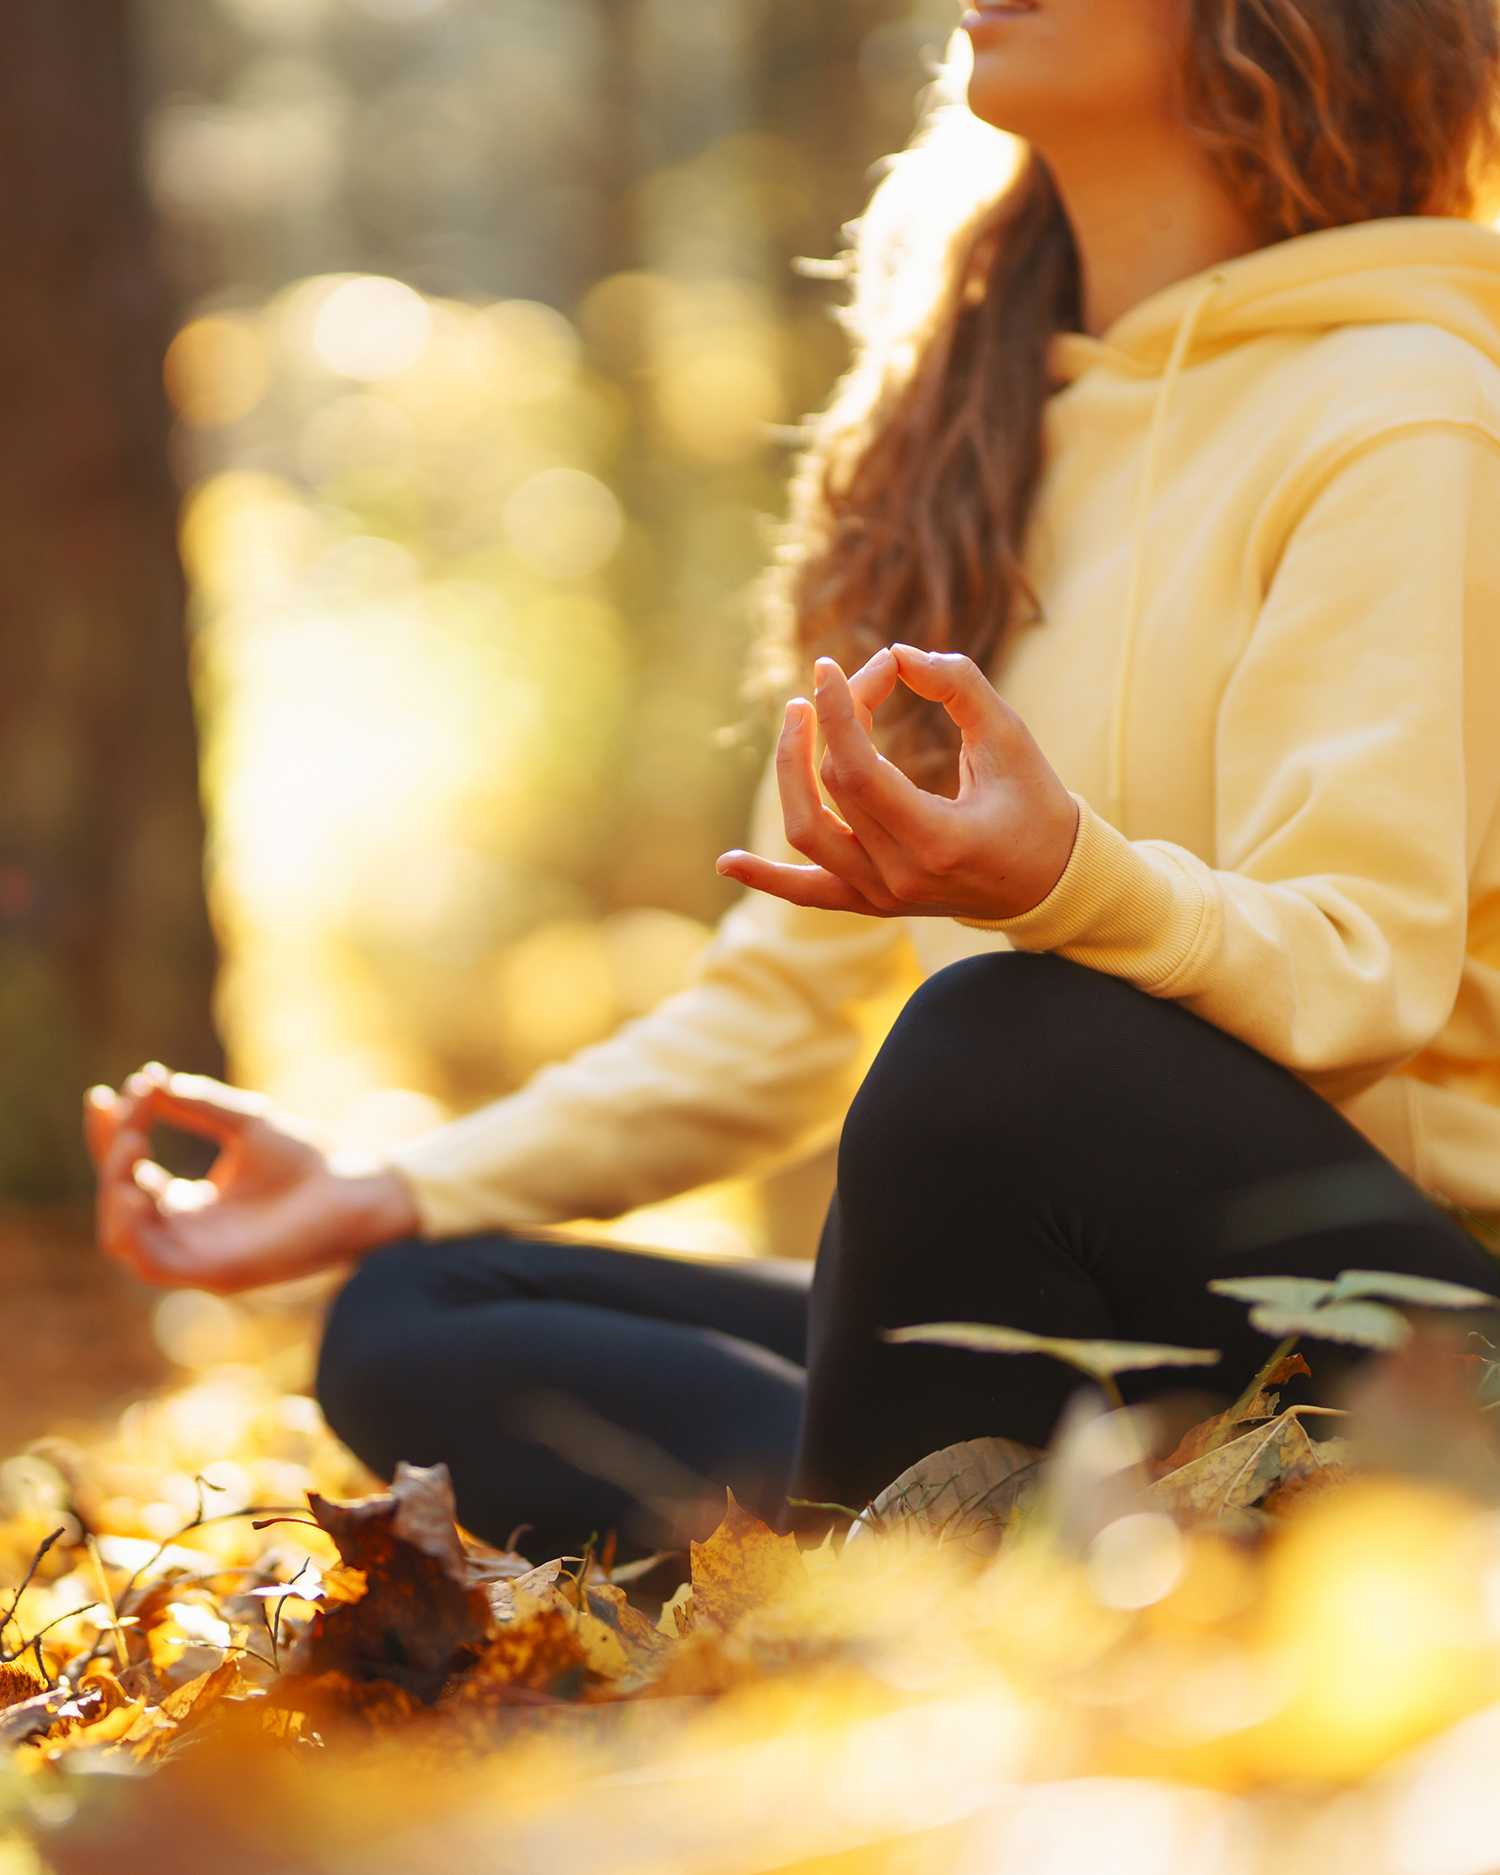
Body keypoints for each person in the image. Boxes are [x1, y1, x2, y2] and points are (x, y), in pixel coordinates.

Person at [87, 0, 1500, 1569]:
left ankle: (894, 1601)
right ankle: (976, 1547)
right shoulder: (962, 436)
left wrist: (1062, 886)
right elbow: (766, 1028)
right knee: (419, 1313)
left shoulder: (1408, 407)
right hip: (1106, 1336)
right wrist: (383, 1184)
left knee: (1001, 1036)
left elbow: (1362, 972)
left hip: (1404, 1341)